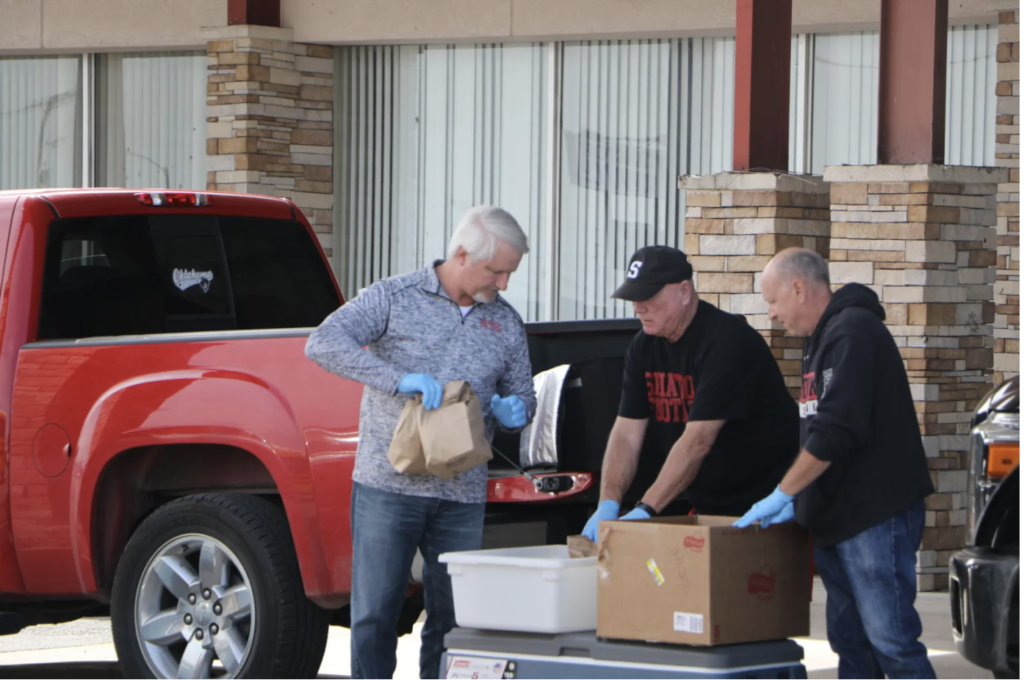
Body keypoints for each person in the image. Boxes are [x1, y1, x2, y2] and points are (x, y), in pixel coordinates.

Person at [305, 206, 538, 679]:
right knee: (375, 613)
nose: (505, 284)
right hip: (388, 485)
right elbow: (324, 342)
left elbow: (523, 394)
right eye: (497, 271)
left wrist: (518, 412)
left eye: (511, 273)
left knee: (452, 616)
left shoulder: (506, 322)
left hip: (463, 492)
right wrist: (397, 379)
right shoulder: (395, 296)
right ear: (461, 254)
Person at [735, 247, 936, 679]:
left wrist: (784, 492)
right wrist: (802, 499)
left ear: (798, 288)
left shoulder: (854, 332)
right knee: (851, 645)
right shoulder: (818, 340)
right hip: (836, 520)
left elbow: (838, 428)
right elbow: (816, 426)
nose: (771, 314)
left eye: (772, 301)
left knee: (892, 642)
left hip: (874, 517)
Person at [581, 245, 799, 542]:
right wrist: (609, 503)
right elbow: (626, 433)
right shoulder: (643, 346)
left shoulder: (726, 342)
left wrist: (646, 509)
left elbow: (698, 441)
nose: (638, 306)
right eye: (633, 297)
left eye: (649, 296)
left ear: (684, 292)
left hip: (766, 504)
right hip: (708, 504)